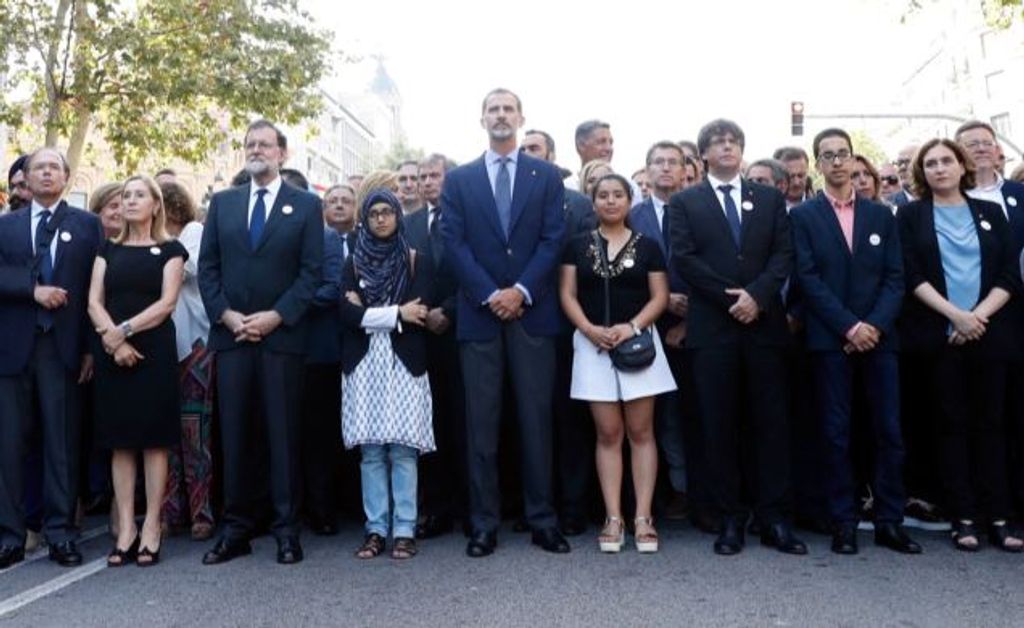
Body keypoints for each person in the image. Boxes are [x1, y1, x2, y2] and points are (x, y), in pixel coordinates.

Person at [441, 88, 569, 558]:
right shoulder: (460, 179)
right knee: (481, 426)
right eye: (492, 109)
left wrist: (522, 291)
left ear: (520, 117)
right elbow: (453, 243)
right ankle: (483, 523)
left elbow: (554, 239)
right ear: (481, 119)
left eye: (507, 109)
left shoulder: (547, 176)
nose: (500, 116)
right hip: (480, 315)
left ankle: (542, 519)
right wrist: (491, 293)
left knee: (537, 422)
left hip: (533, 314)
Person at [669, 119, 806, 556]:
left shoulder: (768, 198)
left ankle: (775, 518)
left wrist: (758, 296)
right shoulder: (686, 202)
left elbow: (783, 254)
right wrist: (732, 298)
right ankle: (730, 518)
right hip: (714, 329)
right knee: (719, 425)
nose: (727, 148)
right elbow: (685, 259)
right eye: (717, 142)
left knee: (771, 425)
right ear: (704, 154)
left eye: (734, 142)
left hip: (764, 326)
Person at [197, 119, 323, 566]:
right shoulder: (224, 204)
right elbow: (208, 268)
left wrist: (275, 317)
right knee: (234, 436)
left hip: (281, 339)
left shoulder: (306, 206)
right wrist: (229, 316)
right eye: (250, 144)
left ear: (282, 153)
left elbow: (312, 273)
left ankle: (287, 530)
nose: (257, 150)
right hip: (232, 338)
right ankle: (236, 529)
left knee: (282, 434)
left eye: (265, 145)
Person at [790, 128, 920, 555]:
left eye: (843, 154)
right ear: (818, 165)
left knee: (888, 431)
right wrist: (849, 327)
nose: (838, 162)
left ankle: (889, 520)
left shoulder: (882, 215)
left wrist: (873, 327)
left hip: (880, 340)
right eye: (827, 156)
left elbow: (895, 277)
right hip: (831, 341)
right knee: (835, 434)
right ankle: (843, 521)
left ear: (853, 159)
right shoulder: (804, 217)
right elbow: (807, 279)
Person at [897, 138, 1023, 552]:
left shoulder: (990, 213)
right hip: (939, 338)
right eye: (930, 163)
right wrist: (955, 316)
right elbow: (910, 274)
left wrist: (977, 317)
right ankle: (963, 515)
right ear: (922, 173)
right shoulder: (911, 215)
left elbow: (1009, 273)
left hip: (989, 335)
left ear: (961, 165)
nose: (939, 168)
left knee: (992, 426)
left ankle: (1000, 517)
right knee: (949, 427)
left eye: (946, 160)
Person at [0, 148, 103, 569]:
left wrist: (91, 350)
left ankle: (61, 533)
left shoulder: (88, 225)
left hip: (63, 350)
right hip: (11, 350)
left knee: (61, 445)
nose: (45, 173)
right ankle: (10, 535)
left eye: (53, 167)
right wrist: (32, 289)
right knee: (8, 447)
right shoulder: (5, 226)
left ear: (65, 175)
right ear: (25, 176)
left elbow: (99, 289)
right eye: (37, 167)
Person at [560, 173, 674, 552]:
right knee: (608, 433)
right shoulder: (576, 246)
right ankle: (613, 518)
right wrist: (589, 329)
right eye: (603, 196)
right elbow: (567, 294)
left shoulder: (649, 246)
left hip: (638, 344)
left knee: (641, 432)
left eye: (617, 195)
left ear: (629, 201)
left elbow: (660, 297)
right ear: (592, 203)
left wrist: (631, 326)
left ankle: (643, 517)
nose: (610, 201)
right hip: (592, 345)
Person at [88, 175, 187, 566]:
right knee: (120, 441)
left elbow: (167, 304)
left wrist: (122, 332)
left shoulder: (170, 249)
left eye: (138, 195)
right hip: (113, 352)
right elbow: (94, 302)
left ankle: (152, 526)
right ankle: (126, 527)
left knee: (153, 441)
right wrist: (112, 340)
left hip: (153, 351)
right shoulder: (106, 250)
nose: (130, 201)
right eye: (126, 195)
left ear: (155, 204)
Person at [339, 189, 435, 559]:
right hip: (364, 366)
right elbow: (345, 315)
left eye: (387, 212)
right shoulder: (353, 263)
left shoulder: (416, 261)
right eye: (374, 213)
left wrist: (370, 314)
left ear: (398, 216)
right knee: (372, 452)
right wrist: (396, 314)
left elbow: (421, 312)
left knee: (404, 451)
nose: (380, 219)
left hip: (404, 364)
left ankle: (405, 530)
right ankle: (376, 530)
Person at [629, 141, 693, 519]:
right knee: (652, 416)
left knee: (694, 413)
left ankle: (692, 490)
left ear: (685, 169)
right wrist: (663, 301)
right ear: (648, 170)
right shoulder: (632, 216)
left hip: (698, 327)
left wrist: (690, 317)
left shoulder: (700, 209)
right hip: (644, 327)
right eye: (658, 162)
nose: (666, 168)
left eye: (673, 162)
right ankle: (659, 493)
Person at [404, 154, 466, 539]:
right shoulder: (407, 224)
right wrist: (419, 311)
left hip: (461, 332)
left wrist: (449, 310)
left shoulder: (467, 218)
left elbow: (480, 269)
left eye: (434, 176)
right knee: (427, 423)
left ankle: (471, 506)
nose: (427, 182)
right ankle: (436, 507)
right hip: (417, 333)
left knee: (464, 421)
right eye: (422, 176)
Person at [159, 181, 215, 542]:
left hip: (194, 345)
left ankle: (202, 510)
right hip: (160, 348)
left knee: (196, 433)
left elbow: (189, 269)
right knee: (164, 434)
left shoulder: (192, 232)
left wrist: (157, 242)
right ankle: (169, 509)